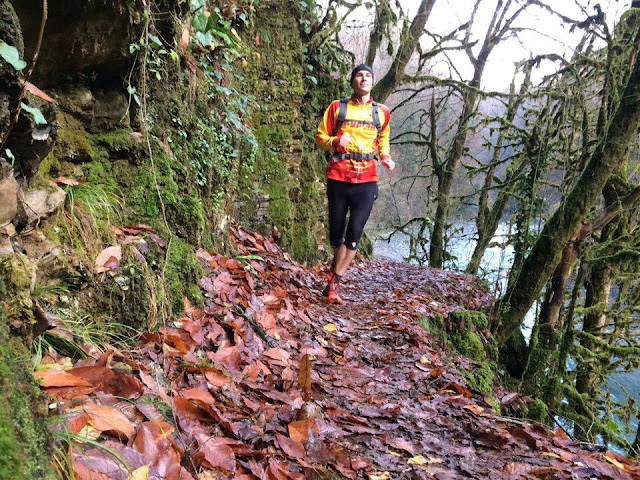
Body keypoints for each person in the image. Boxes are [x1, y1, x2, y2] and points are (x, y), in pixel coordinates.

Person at [315, 64, 395, 304]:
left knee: (354, 235)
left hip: (367, 181)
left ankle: (333, 285)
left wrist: (386, 157)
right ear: (352, 82)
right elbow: (320, 139)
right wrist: (337, 141)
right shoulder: (336, 108)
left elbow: (384, 139)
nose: (364, 79)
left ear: (372, 82)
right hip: (339, 178)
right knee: (336, 236)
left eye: (368, 76)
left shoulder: (382, 112)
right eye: (359, 75)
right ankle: (334, 269)